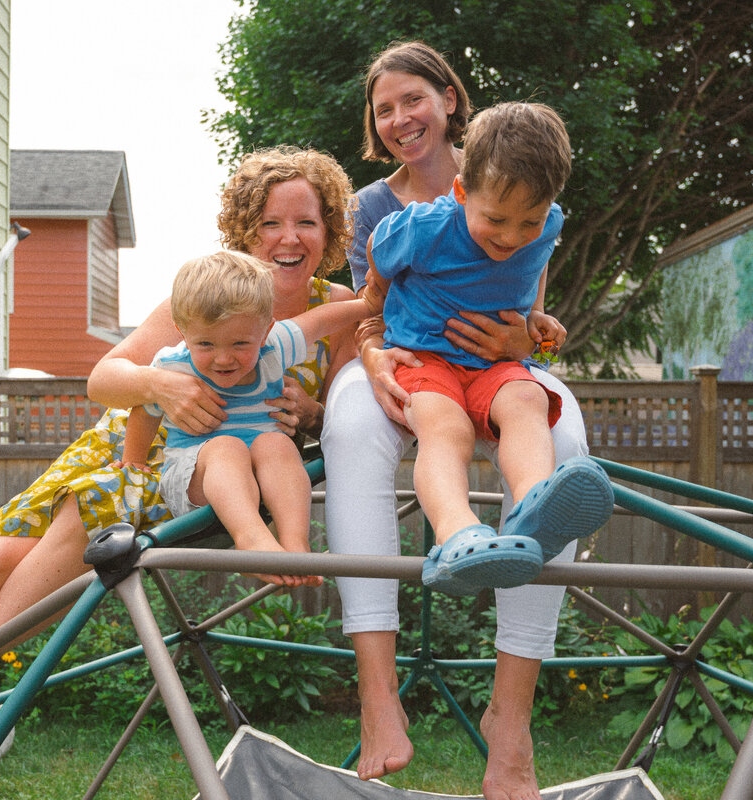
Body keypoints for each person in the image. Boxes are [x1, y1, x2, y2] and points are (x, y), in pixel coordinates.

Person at [0, 146, 361, 774]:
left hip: (196, 471)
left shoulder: (335, 309)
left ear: (329, 228)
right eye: (270, 223)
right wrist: (156, 383)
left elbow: (345, 415)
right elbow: (103, 378)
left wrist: (310, 411)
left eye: (306, 222)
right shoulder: (210, 293)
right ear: (246, 230)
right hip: (122, 448)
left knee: (81, 521)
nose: (288, 238)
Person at [319, 41, 596, 798]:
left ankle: (512, 719)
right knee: (360, 426)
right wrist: (375, 353)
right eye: (385, 108)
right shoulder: (385, 212)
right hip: (411, 357)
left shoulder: (532, 198)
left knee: (561, 429)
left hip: (496, 365)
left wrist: (530, 337)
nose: (401, 117)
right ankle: (380, 692)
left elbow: (527, 310)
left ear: (449, 100)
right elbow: (371, 307)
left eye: (414, 98)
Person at [360, 101, 613, 597]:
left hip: (493, 363)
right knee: (446, 427)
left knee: (528, 399)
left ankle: (535, 506)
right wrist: (380, 305)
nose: (512, 237)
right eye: (496, 219)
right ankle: (456, 534)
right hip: (425, 356)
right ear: (461, 192)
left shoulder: (549, 224)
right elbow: (378, 250)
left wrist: (534, 311)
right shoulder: (426, 227)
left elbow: (538, 254)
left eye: (528, 222)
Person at [119, 251, 370, 587]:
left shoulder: (274, 347)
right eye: (206, 344)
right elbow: (144, 410)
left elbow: (321, 321)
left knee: (277, 443)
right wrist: (133, 461)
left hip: (261, 477)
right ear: (182, 332)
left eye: (240, 344)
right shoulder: (173, 366)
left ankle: (295, 544)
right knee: (227, 447)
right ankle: (251, 541)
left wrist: (369, 305)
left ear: (265, 332)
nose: (223, 358)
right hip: (196, 477)